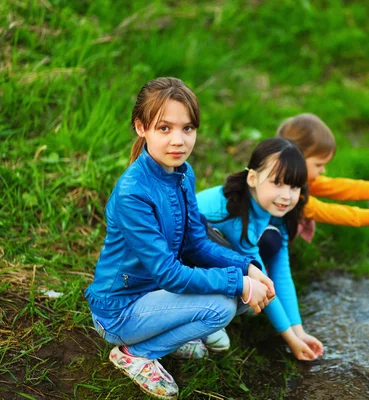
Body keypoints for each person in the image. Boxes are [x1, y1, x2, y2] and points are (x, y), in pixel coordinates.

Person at [84, 77, 274, 400]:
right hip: (120, 310)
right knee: (222, 308)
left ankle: (169, 329)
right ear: (141, 128)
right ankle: (135, 353)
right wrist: (238, 282)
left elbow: (196, 244)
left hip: (155, 296)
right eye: (164, 128)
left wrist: (248, 268)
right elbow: (168, 273)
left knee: (244, 291)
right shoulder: (133, 193)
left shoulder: (183, 174)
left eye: (187, 128)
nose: (179, 141)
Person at [197, 137, 324, 361]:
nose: (287, 195)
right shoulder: (234, 211)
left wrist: (299, 331)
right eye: (277, 183)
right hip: (181, 256)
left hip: (214, 256)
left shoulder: (277, 210)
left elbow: (280, 273)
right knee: (254, 282)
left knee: (272, 243)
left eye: (294, 186)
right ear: (253, 178)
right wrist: (292, 342)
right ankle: (202, 318)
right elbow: (263, 279)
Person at [276, 113, 369, 243]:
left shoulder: (293, 179)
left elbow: (334, 187)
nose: (323, 170)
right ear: (295, 159)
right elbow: (330, 213)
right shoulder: (291, 196)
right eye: (318, 165)